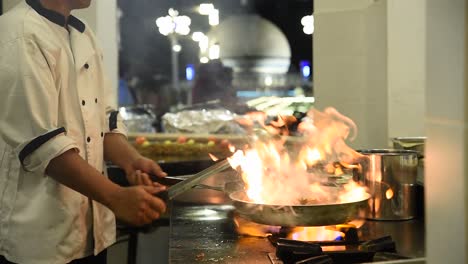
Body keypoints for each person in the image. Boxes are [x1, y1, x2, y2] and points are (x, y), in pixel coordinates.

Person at [0, 1, 168, 263]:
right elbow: (42, 145)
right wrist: (116, 196)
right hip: (40, 238)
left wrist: (131, 161)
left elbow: (103, 120)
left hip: (90, 229)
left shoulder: (82, 33)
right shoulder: (19, 33)